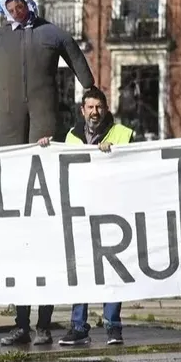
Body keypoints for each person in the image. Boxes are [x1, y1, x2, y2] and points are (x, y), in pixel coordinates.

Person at [44, 87, 135, 347]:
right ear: (82, 111)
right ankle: (78, 327)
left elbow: (137, 166)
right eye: (90, 108)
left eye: (99, 107)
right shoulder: (70, 137)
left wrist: (115, 154)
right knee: (82, 269)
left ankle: (113, 327)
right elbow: (53, 160)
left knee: (114, 270)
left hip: (113, 213)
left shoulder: (124, 135)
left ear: (106, 109)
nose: (95, 112)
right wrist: (44, 147)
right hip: (81, 215)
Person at [0, 0, 95, 147]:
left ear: (27, 4)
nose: (16, 13)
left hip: (44, 105)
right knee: (10, 150)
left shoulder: (51, 32)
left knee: (44, 148)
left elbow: (73, 52)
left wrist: (88, 82)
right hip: (9, 108)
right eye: (11, 10)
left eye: (19, 7)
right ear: (6, 11)